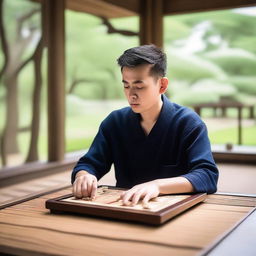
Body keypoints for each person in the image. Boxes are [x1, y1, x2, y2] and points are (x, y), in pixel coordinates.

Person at [71, 44, 218, 207]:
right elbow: (89, 163)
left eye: (139, 86)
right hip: (124, 207)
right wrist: (84, 176)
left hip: (172, 209)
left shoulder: (188, 122)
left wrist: (157, 186)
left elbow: (207, 175)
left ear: (162, 85)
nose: (131, 94)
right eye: (126, 85)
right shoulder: (115, 122)